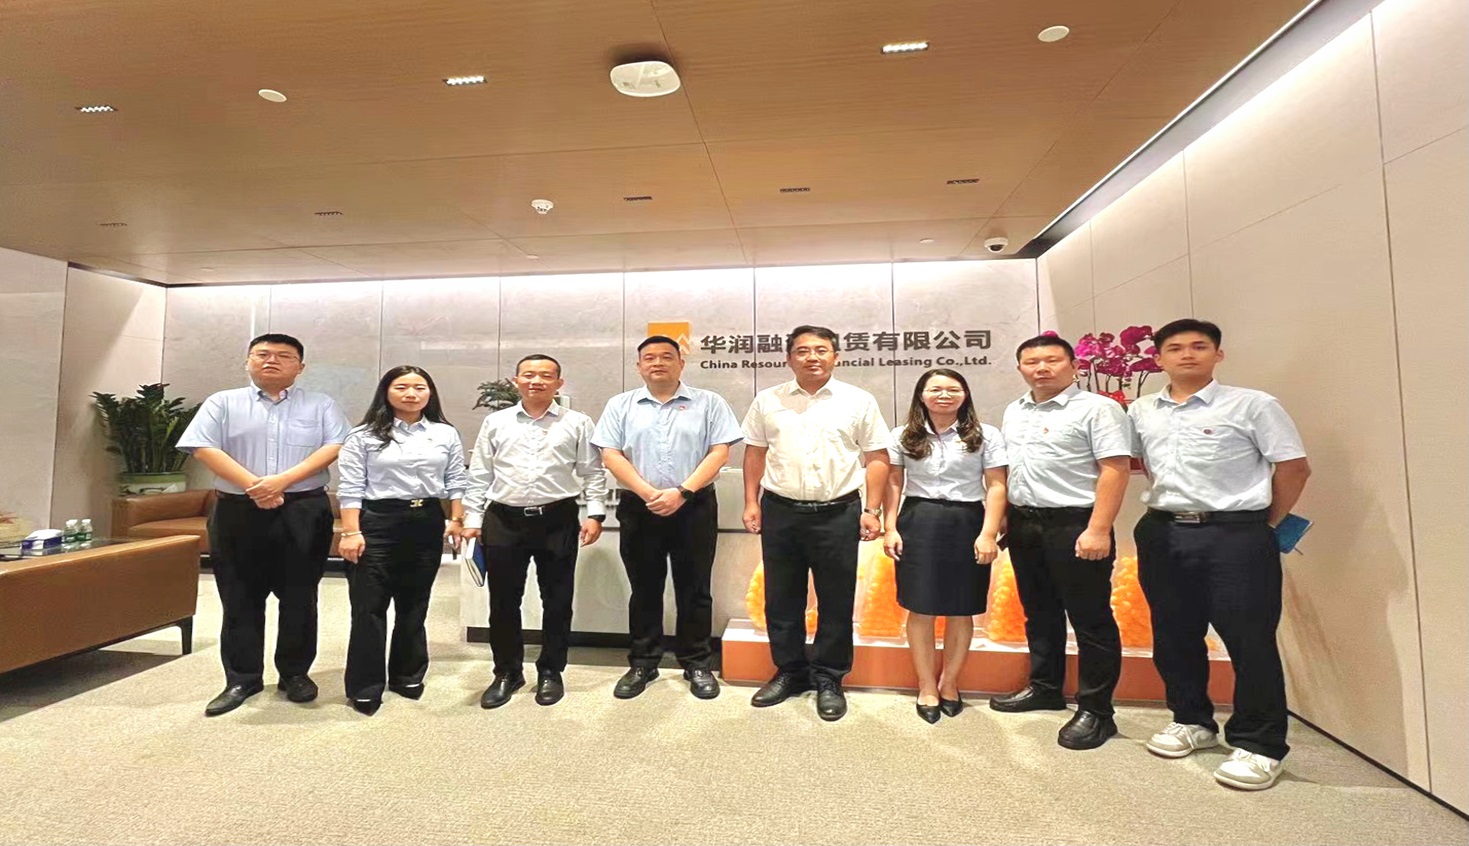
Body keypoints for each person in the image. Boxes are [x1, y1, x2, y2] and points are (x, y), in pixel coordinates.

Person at [1130, 318, 1311, 791]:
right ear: (1159, 359)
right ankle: (1192, 719)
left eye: (1199, 346)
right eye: (1175, 348)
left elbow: (1294, 468)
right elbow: (1135, 463)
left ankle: (1260, 743)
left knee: (1249, 639)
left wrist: (1264, 524)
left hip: (1235, 534)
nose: (1187, 355)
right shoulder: (1141, 410)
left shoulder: (1253, 404)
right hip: (1164, 531)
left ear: (1218, 354)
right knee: (1174, 633)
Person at [177, 333, 350, 717]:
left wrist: (280, 483)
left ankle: (295, 674)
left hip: (303, 509)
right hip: (237, 510)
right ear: (248, 361)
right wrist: (254, 487)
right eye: (263, 354)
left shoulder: (321, 404)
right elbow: (204, 447)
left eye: (284, 356)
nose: (272, 360)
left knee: (300, 596)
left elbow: (335, 446)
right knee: (238, 595)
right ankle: (242, 678)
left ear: (300, 367)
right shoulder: (222, 402)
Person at [741, 325, 890, 722]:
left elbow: (877, 457)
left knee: (835, 600)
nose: (812, 357)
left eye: (821, 350)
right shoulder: (768, 399)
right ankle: (789, 671)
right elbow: (754, 453)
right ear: (789, 358)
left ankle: (829, 677)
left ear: (836, 356)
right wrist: (751, 502)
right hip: (781, 511)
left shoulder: (858, 400)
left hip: (838, 513)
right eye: (803, 350)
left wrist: (872, 510)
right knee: (781, 597)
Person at [992, 335, 1132, 750]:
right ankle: (1045, 687)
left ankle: (1097, 711)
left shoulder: (1098, 409)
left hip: (1076, 523)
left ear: (1074, 365)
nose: (1042, 368)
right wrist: (1005, 518)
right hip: (1025, 523)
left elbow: (1115, 469)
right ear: (1020, 368)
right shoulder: (1015, 410)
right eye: (1032, 361)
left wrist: (1099, 528)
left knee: (1090, 619)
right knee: (1039, 611)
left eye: (1052, 360)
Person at [593, 336, 743, 700]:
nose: (657, 363)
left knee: (695, 588)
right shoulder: (620, 404)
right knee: (644, 588)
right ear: (639, 366)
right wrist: (649, 494)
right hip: (639, 507)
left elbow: (719, 452)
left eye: (666, 356)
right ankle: (643, 662)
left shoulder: (709, 402)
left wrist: (682, 492)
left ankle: (697, 663)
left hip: (694, 505)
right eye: (649, 358)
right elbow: (610, 455)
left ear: (681, 363)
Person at [463, 354, 608, 709]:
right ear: (516, 381)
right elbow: (480, 472)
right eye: (528, 375)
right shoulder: (496, 422)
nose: (536, 381)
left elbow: (592, 471)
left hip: (557, 518)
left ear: (559, 383)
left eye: (545, 375)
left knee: (557, 599)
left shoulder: (577, 422)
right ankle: (507, 672)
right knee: (503, 601)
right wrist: (473, 518)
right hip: (503, 519)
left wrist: (595, 514)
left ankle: (551, 671)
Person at [336, 365, 468, 716]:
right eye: (402, 387)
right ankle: (365, 685)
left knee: (414, 604)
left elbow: (457, 479)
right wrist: (351, 532)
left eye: (419, 387)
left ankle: (407, 674)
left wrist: (456, 519)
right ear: (386, 392)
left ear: (430, 393)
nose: (411, 394)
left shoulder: (444, 433)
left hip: (425, 521)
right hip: (377, 522)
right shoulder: (363, 435)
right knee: (369, 607)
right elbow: (350, 487)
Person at [882, 369, 1007, 724]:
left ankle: (949, 683)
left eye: (953, 389)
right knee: (920, 607)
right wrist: (890, 528)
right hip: (918, 519)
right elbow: (894, 484)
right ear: (921, 395)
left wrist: (988, 533)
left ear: (965, 395)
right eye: (935, 389)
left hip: (967, 521)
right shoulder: (902, 435)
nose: (944, 395)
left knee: (961, 608)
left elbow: (997, 485)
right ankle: (926, 685)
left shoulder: (985, 434)